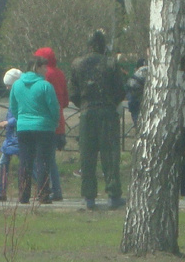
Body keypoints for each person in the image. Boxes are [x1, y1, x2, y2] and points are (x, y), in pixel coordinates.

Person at [129, 57, 185, 205]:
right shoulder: (179, 69)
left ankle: (154, 191)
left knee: (153, 155)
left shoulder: (144, 72)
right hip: (177, 116)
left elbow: (132, 98)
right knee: (180, 155)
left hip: (154, 119)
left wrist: (139, 120)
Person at [69, 29, 126, 210]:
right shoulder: (111, 63)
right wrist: (110, 103)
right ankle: (113, 195)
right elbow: (121, 90)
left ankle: (89, 196)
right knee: (110, 156)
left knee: (87, 155)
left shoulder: (77, 64)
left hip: (87, 112)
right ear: (103, 45)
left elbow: (73, 93)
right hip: (108, 113)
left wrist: (85, 105)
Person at [9, 57, 60, 204]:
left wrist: (21, 120)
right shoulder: (45, 86)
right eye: (44, 67)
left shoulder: (17, 85)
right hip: (44, 127)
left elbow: (14, 106)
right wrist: (53, 122)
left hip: (24, 127)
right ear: (36, 68)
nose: (46, 70)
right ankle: (43, 194)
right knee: (43, 161)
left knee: (25, 161)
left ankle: (23, 195)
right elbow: (53, 107)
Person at [33, 47, 68, 201]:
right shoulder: (60, 73)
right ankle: (56, 189)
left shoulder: (45, 75)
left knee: (45, 158)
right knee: (50, 158)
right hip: (59, 120)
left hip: (47, 121)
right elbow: (66, 100)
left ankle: (53, 189)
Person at [0, 68, 22, 201]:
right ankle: (2, 191)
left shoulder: (19, 96)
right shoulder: (16, 95)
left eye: (9, 85)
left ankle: (42, 188)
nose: (7, 87)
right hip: (12, 137)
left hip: (17, 135)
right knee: (7, 161)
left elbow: (20, 115)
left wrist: (7, 123)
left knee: (26, 163)